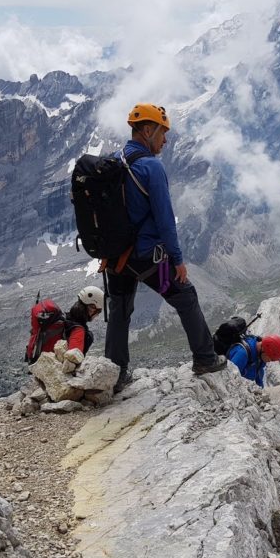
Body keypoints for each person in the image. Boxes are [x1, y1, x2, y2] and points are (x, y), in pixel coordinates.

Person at [105, 103, 227, 392]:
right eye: (163, 133)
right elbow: (164, 219)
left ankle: (115, 374)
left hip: (114, 256)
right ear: (147, 130)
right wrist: (177, 259)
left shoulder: (113, 160)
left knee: (120, 307)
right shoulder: (151, 167)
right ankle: (205, 358)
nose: (165, 140)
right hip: (146, 257)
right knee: (185, 296)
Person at [60, 285, 104, 373]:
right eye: (98, 311)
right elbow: (72, 360)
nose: (97, 315)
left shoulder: (66, 318)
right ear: (92, 307)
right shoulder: (78, 331)